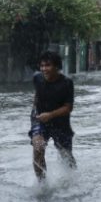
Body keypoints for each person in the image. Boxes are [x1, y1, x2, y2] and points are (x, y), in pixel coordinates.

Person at [29, 51, 76, 179]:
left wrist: (50, 115)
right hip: (40, 119)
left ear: (57, 67)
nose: (44, 69)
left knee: (66, 155)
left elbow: (68, 107)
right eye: (42, 65)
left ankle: (73, 178)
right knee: (38, 147)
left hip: (61, 123)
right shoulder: (37, 78)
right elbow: (37, 93)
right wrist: (34, 111)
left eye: (48, 65)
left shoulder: (66, 83)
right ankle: (42, 185)